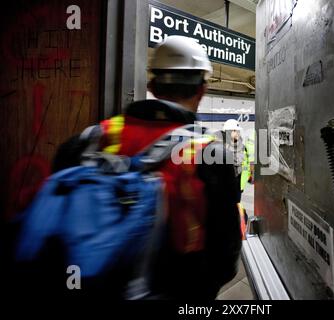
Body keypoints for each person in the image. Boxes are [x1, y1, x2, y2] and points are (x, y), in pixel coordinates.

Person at [51, 36, 242, 300]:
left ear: (152, 85)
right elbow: (224, 259)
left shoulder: (87, 142)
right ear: (202, 89)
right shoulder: (211, 154)